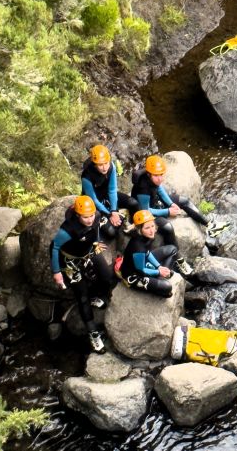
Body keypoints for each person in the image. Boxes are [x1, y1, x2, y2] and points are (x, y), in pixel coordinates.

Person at [50, 195, 117, 353]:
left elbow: (95, 229)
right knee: (82, 295)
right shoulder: (68, 229)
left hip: (89, 251)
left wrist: (95, 241)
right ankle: (93, 334)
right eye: (85, 217)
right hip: (70, 261)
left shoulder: (97, 216)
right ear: (78, 215)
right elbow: (54, 247)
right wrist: (56, 272)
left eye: (91, 216)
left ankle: (96, 296)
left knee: (107, 276)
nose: (89, 220)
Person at [130, 154, 224, 248]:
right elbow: (145, 211)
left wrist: (171, 203)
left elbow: (159, 189)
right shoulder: (143, 188)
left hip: (154, 203)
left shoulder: (153, 178)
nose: (160, 179)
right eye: (156, 176)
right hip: (144, 215)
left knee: (184, 201)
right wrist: (167, 212)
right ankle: (177, 258)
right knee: (168, 228)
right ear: (149, 174)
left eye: (161, 175)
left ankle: (210, 226)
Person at [117, 210, 186, 296]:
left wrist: (159, 266)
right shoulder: (138, 246)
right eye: (147, 228)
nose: (152, 231)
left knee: (173, 249)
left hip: (143, 262)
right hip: (135, 274)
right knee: (167, 288)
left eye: (152, 226)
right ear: (139, 229)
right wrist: (158, 272)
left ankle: (160, 276)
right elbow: (141, 270)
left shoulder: (146, 236)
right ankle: (160, 278)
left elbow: (148, 253)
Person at [81, 144, 138, 228]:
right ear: (95, 164)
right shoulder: (86, 176)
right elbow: (94, 200)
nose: (104, 168)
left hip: (106, 194)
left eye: (106, 163)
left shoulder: (111, 167)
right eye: (100, 165)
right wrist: (109, 214)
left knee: (134, 203)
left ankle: (134, 226)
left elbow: (112, 190)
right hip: (94, 202)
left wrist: (114, 210)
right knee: (111, 230)